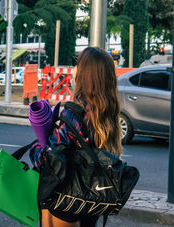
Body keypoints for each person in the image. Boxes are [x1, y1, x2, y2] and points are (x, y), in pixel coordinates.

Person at [29, 46, 122, 227]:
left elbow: (48, 161)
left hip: (65, 199)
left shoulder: (74, 114)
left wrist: (36, 146)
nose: (73, 68)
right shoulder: (108, 115)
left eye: (76, 63)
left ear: (85, 73)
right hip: (90, 198)